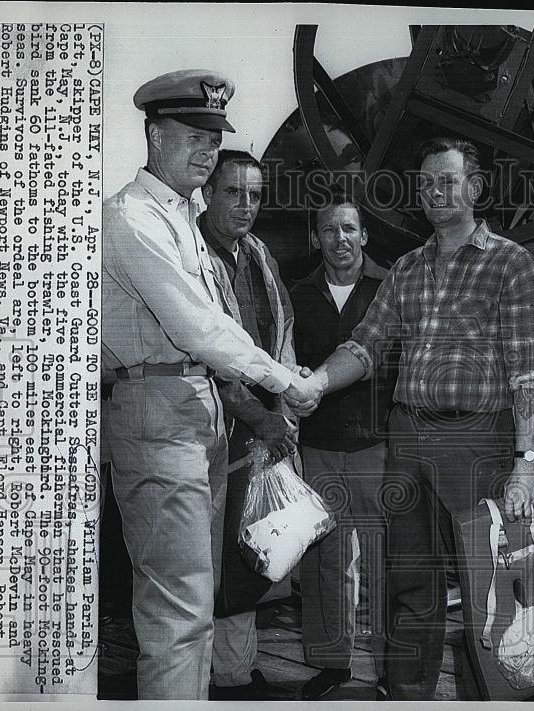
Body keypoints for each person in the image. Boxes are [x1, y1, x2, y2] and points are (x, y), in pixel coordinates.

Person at [288, 137, 534, 700]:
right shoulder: (406, 268)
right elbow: (364, 346)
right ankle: (407, 696)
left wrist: (526, 463)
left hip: (482, 439)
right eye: (426, 183)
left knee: (492, 580)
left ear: (475, 188)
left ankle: (500, 696)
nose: (434, 192)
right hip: (407, 438)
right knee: (409, 583)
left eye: (447, 181)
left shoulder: (511, 263)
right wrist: (314, 383)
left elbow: (528, 372)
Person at [102, 70, 316, 700]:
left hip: (196, 413)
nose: (206, 149)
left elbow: (217, 318)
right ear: (152, 133)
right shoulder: (131, 218)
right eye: (192, 134)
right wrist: (283, 378)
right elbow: (197, 325)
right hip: (158, 409)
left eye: (214, 138)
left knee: (195, 611)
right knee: (177, 617)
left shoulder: (180, 215)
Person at [197, 149, 298, 700]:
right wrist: (264, 418)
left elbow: (280, 337)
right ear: (207, 193)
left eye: (255, 194)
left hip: (260, 427)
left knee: (247, 549)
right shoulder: (192, 253)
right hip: (216, 422)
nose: (246, 205)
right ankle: (210, 678)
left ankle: (236, 673)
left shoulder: (258, 254)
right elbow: (212, 354)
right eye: (234, 192)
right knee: (206, 557)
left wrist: (278, 415)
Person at [291, 189, 395, 700]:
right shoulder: (297, 293)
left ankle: (385, 665)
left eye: (349, 228)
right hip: (318, 445)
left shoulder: (388, 289)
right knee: (326, 557)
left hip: (377, 444)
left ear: (365, 235)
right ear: (316, 238)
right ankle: (331, 663)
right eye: (329, 230)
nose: (340, 239)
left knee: (381, 557)